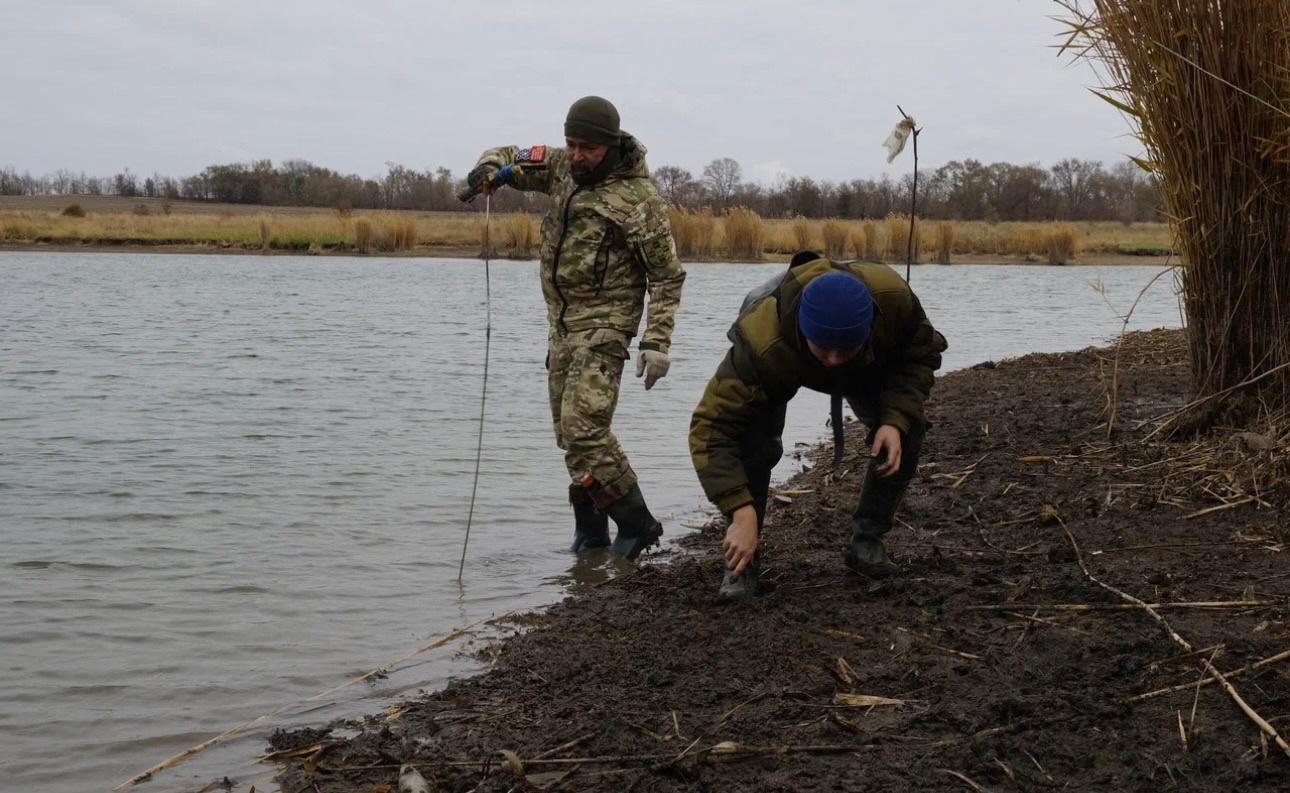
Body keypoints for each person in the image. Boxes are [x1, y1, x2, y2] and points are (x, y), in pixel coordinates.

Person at [462, 96, 685, 560]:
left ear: (608, 145)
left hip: (607, 324)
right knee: (568, 435)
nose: (578, 154)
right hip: (561, 324)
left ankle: (637, 522)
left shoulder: (639, 200)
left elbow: (666, 276)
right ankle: (592, 532)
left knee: (585, 428)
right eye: (572, 143)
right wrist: (487, 169)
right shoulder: (561, 167)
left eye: (587, 147)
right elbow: (509, 156)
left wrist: (656, 341)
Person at [689, 253, 947, 599]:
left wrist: (893, 419)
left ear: (869, 328)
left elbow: (920, 356)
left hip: (867, 365)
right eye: (825, 350)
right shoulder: (762, 342)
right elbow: (711, 428)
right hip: (783, 356)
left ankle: (866, 542)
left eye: (845, 350)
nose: (834, 361)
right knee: (755, 445)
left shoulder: (893, 302)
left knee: (907, 431)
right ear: (805, 333)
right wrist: (739, 508)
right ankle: (741, 564)